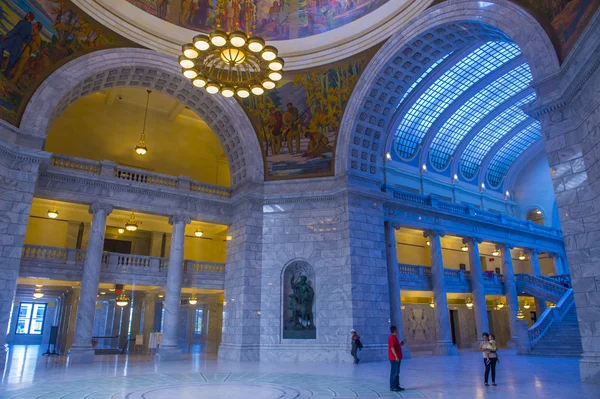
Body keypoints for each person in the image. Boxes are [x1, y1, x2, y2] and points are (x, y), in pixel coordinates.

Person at [388, 325, 405, 392]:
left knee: (397, 372)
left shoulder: (395, 337)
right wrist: (396, 356)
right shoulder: (391, 337)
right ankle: (392, 386)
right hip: (394, 358)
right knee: (394, 372)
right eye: (397, 329)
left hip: (397, 358)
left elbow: (396, 346)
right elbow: (392, 348)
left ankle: (397, 386)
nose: (397, 330)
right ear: (395, 330)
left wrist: (401, 344)